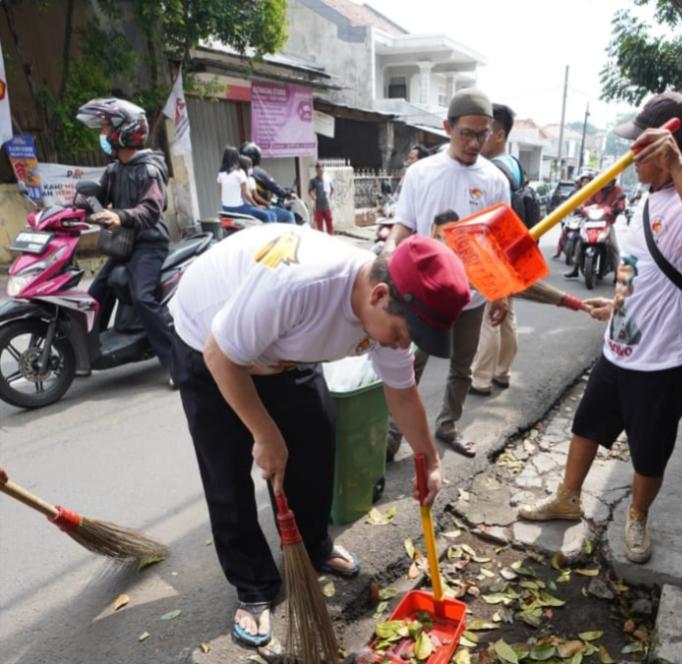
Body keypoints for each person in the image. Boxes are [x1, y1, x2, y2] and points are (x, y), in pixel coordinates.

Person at [168, 224, 469, 648]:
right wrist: (265, 434)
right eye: (404, 335)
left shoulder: (386, 311)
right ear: (379, 295)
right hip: (209, 347)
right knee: (226, 467)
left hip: (284, 353)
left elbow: (402, 393)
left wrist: (431, 460)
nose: (405, 346)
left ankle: (313, 546)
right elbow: (222, 355)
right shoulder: (300, 286)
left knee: (316, 441)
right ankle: (254, 586)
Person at [519, 92, 682, 565]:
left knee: (649, 449)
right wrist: (615, 304)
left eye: (639, 145)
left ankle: (636, 516)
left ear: (668, 142)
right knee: (587, 427)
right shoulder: (643, 201)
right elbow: (637, 269)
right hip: (620, 347)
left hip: (666, 358)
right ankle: (568, 498)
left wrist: (678, 166)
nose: (630, 157)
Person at [383, 88, 511, 460]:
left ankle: (448, 425)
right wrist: (389, 255)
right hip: (424, 295)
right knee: (409, 364)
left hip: (471, 295)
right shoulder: (422, 173)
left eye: (483, 134)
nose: (475, 142)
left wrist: (500, 291)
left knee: (463, 364)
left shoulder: (495, 180)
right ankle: (393, 434)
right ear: (447, 128)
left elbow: (498, 244)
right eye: (467, 133)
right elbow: (403, 225)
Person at [76, 98, 174, 381]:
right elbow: (94, 194)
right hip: (122, 244)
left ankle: (175, 364)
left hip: (148, 243)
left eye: (106, 128)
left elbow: (151, 208)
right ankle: (88, 354)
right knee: (93, 295)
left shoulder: (149, 169)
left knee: (143, 298)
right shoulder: (114, 170)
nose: (103, 135)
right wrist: (74, 205)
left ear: (124, 131)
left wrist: (121, 216)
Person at [469, 103, 522, 397]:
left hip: (496, 252)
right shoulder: (515, 165)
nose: (478, 140)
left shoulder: (492, 172)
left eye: (485, 132)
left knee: (489, 316)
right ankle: (503, 371)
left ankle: (480, 378)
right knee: (507, 315)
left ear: (499, 135)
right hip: (516, 249)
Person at [563, 176, 626, 279]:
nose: (605, 181)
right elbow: (587, 201)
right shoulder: (596, 187)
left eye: (608, 179)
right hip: (592, 220)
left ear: (612, 181)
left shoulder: (617, 190)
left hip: (606, 221)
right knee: (581, 242)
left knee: (613, 247)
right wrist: (581, 207)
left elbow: (621, 204)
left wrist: (618, 209)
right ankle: (575, 269)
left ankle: (617, 274)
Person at [238, 142, 296, 224]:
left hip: (242, 209)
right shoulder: (256, 171)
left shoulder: (236, 172)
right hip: (257, 207)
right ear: (255, 157)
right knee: (288, 216)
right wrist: (287, 194)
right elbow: (273, 185)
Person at [217, 147, 277, 224]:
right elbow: (246, 194)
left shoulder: (221, 174)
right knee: (268, 215)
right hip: (239, 208)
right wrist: (256, 206)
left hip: (226, 208)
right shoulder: (240, 173)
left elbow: (221, 193)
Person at [554, 171, 592, 259]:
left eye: (587, 181)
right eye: (584, 181)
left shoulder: (594, 193)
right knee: (564, 230)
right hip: (575, 215)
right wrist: (560, 208)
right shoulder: (575, 192)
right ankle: (559, 251)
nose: (585, 183)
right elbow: (567, 202)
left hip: (587, 217)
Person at [309, 163, 335, 235]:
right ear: (316, 170)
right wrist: (313, 197)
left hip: (326, 205)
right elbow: (309, 191)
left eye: (322, 170)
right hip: (318, 206)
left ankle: (331, 237)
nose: (321, 172)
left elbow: (332, 189)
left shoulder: (327, 179)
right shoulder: (313, 180)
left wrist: (329, 197)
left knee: (329, 222)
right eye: (319, 170)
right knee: (319, 226)